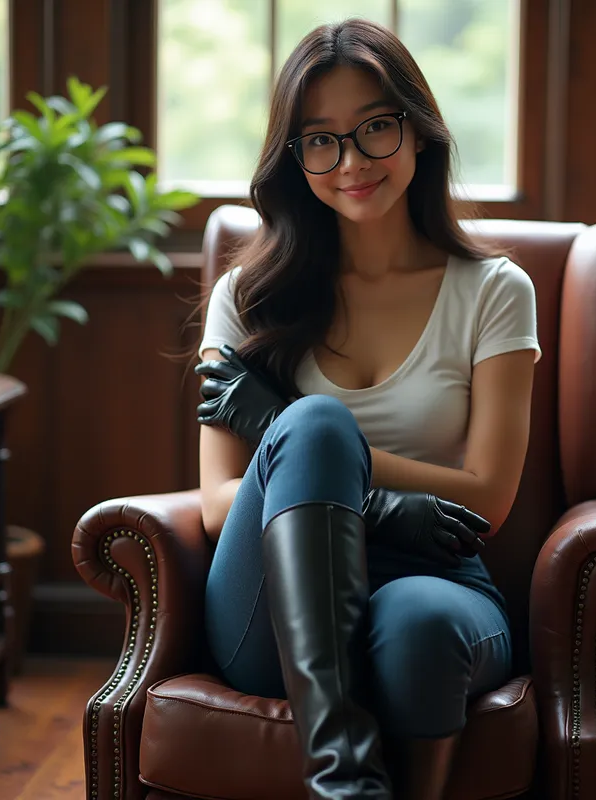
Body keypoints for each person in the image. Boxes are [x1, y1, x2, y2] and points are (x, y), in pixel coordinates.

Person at [194, 17, 541, 800]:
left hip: (434, 571)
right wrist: (375, 502)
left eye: (375, 129)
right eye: (321, 140)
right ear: (295, 158)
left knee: (416, 619)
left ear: (418, 132)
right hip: (267, 601)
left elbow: (488, 495)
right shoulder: (245, 299)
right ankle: (345, 782)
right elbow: (219, 505)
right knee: (317, 423)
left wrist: (284, 435)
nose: (351, 162)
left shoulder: (492, 292)